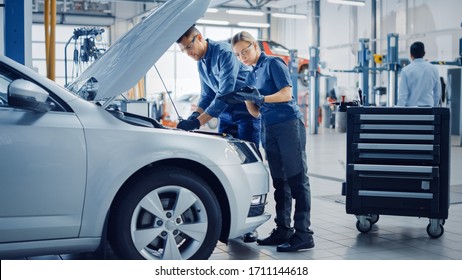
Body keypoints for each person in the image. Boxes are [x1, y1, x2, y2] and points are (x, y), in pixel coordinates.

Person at [231, 31, 314, 252]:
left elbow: (287, 94)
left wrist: (261, 97)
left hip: (288, 125)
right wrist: (246, 98)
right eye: (238, 55)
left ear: (255, 46)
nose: (243, 57)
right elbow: (256, 113)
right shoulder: (251, 74)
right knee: (280, 182)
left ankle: (304, 233)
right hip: (269, 128)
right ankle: (284, 230)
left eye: (245, 51)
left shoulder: (273, 63)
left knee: (297, 179)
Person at [175, 26, 261, 148]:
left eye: (189, 47)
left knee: (249, 156)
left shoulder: (225, 53)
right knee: (226, 154)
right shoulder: (201, 62)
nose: (188, 53)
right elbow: (207, 95)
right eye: (184, 50)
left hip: (245, 113)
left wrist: (197, 122)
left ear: (199, 38)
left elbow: (225, 94)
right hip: (224, 114)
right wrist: (194, 115)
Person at [397, 41, 441, 107]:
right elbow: (437, 93)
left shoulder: (405, 71)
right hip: (428, 110)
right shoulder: (433, 69)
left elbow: (402, 96)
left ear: (411, 55)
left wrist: (399, 112)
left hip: (412, 111)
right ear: (424, 53)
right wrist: (434, 108)